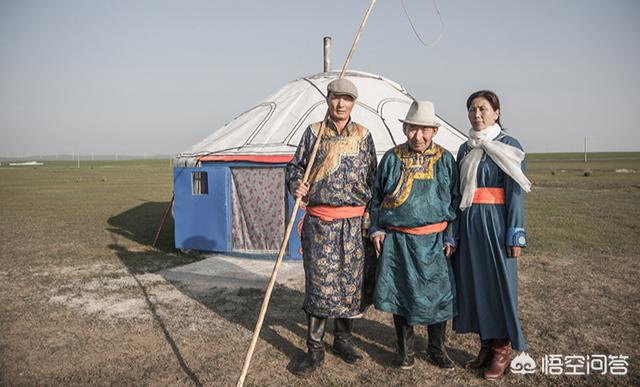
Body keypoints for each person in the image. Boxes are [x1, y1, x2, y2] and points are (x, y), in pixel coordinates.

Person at [286, 78, 378, 377]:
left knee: (349, 284)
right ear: (328, 99)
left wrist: (373, 223)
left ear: (354, 103)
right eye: (336, 98)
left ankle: (343, 340)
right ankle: (314, 349)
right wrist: (295, 183)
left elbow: (374, 179)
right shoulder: (313, 133)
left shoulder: (364, 136)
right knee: (320, 284)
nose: (341, 104)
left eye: (347, 99)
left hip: (354, 224)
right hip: (320, 223)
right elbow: (295, 166)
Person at [369, 100, 460, 370]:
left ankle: (437, 349)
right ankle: (405, 352)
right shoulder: (392, 159)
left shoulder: (445, 160)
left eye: (424, 131)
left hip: (434, 241)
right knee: (402, 294)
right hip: (398, 241)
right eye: (412, 129)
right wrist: (376, 228)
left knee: (438, 295)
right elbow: (375, 197)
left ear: (434, 131)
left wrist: (450, 236)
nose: (417, 137)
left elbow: (454, 202)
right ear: (405, 128)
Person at [452, 90, 531, 380]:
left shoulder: (509, 145)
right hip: (470, 223)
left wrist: (515, 235)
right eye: (472, 109)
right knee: (474, 284)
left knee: (500, 286)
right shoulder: (465, 148)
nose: (477, 114)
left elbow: (516, 193)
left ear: (496, 112)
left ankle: (502, 348)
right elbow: (459, 192)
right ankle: (485, 344)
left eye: (483, 108)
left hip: (496, 225)